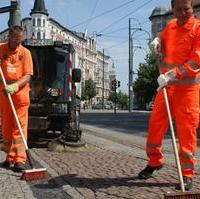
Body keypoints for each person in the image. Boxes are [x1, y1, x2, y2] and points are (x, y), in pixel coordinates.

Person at [138, 0, 200, 191]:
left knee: (186, 133)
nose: (182, 13)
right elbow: (162, 40)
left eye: (186, 10)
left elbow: (197, 62)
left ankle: (187, 174)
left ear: (192, 8)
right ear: (172, 9)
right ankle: (155, 161)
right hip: (166, 89)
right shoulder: (171, 26)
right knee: (155, 126)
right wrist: (157, 42)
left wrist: (171, 75)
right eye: (178, 10)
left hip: (187, 91)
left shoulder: (198, 29)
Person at [0, 25, 33, 172]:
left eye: (20, 40)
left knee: (19, 127)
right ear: (9, 37)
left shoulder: (25, 53)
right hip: (4, 94)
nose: (18, 43)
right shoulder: (1, 49)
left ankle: (20, 159)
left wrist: (15, 86)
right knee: (6, 127)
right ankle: (9, 156)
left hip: (19, 94)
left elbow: (28, 75)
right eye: (15, 39)